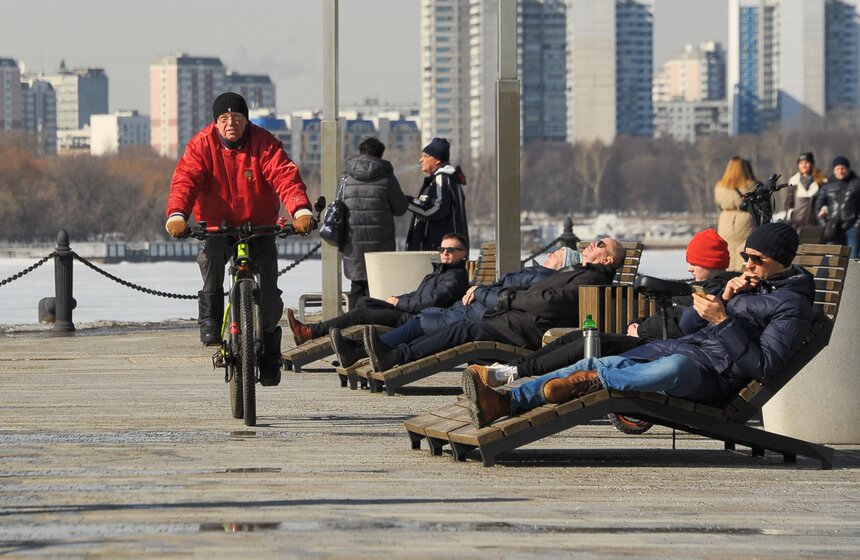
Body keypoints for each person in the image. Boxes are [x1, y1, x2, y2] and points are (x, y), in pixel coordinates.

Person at [463, 223, 814, 428]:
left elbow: (764, 366)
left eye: (757, 260)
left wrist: (722, 321)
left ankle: (594, 383)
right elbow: (689, 329)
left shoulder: (792, 307)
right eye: (746, 257)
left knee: (669, 367)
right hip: (683, 350)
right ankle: (505, 403)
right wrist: (722, 297)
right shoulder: (744, 285)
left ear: (780, 263)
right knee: (590, 359)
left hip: (715, 379)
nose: (748, 265)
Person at [165, 92, 315, 385]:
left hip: (259, 226)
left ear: (246, 120)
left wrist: (300, 209)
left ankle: (270, 351)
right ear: (216, 122)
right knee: (211, 259)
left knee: (269, 289)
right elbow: (185, 179)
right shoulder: (201, 145)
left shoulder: (264, 143)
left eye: (237, 118)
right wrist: (177, 215)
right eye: (224, 119)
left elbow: (284, 175)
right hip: (217, 226)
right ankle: (210, 319)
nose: (230, 124)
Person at [469, 229, 738, 388]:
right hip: (652, 338)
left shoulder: (712, 292)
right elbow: (676, 317)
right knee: (580, 338)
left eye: (695, 261)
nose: (689, 267)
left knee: (585, 345)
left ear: (710, 262)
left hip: (659, 347)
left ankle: (513, 373)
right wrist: (639, 323)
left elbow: (687, 323)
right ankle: (512, 369)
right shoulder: (700, 287)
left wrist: (641, 328)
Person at [363, 238, 626, 373]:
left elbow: (549, 303)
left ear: (606, 260)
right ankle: (393, 354)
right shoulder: (581, 273)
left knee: (463, 331)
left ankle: (396, 356)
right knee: (461, 327)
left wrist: (507, 299)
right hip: (512, 321)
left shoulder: (590, 280)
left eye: (601, 244)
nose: (593, 243)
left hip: (523, 331)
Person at [331, 246, 581, 368]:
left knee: (420, 323)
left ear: (563, 265)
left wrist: (481, 291)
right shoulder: (539, 274)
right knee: (383, 311)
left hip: (485, 317)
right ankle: (365, 351)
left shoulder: (543, 279)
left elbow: (513, 298)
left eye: (559, 253)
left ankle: (376, 353)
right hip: (477, 312)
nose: (552, 253)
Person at [286, 233, 469, 345]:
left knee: (359, 314)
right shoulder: (439, 272)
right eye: (442, 249)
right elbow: (418, 294)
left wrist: (400, 304)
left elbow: (435, 300)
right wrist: (396, 299)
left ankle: (311, 332)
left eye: (451, 250)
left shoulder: (456, 276)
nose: (445, 253)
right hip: (410, 311)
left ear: (463, 253)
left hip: (416, 319)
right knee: (364, 302)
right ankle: (354, 343)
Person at [340, 137, 409, 309]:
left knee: (357, 286)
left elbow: (338, 205)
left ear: (361, 151)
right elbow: (400, 208)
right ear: (380, 155)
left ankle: (354, 325)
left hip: (352, 240)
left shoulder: (345, 178)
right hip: (381, 243)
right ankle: (377, 328)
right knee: (379, 288)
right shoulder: (387, 178)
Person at [406, 138, 469, 251]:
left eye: (425, 156)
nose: (421, 160)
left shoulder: (442, 178)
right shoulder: (446, 179)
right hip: (445, 251)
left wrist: (406, 202)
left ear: (437, 160)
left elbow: (436, 209)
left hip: (441, 251)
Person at [715, 156, 759, 272]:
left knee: (727, 250)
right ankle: (743, 273)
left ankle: (727, 275)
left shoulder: (720, 187)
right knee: (744, 250)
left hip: (725, 221)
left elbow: (719, 204)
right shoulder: (750, 186)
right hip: (745, 220)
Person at [815, 156, 860, 258]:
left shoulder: (857, 184)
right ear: (834, 170)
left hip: (853, 227)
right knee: (833, 260)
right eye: (837, 169)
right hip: (833, 228)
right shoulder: (826, 186)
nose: (840, 171)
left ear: (848, 169)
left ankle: (853, 275)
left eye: (843, 168)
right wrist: (825, 224)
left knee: (853, 260)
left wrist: (857, 224)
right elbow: (818, 207)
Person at [784, 152, 826, 231]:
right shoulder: (793, 181)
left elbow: (825, 201)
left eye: (806, 162)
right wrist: (791, 214)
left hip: (815, 224)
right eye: (801, 163)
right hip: (796, 224)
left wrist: (824, 210)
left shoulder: (821, 181)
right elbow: (789, 202)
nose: (803, 165)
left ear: (812, 164)